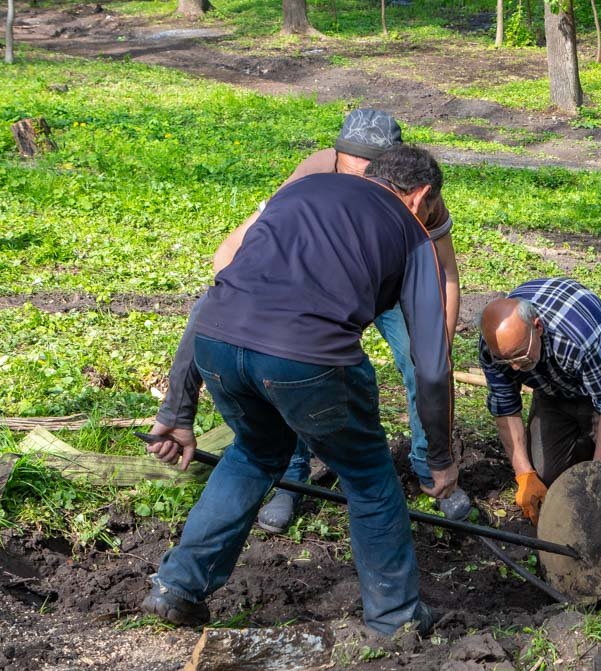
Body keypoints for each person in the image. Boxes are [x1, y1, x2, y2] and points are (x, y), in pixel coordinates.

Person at [141, 145, 457, 636]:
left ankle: (178, 585)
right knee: (370, 478)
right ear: (420, 198)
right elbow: (432, 363)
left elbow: (214, 295)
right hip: (310, 360)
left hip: (219, 345)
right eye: (432, 211)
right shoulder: (410, 231)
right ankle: (395, 620)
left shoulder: (298, 193)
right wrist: (438, 457)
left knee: (253, 452)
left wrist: (178, 410)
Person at [179, 108, 470, 532]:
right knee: (289, 361)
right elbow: (230, 255)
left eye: (373, 176)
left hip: (394, 278)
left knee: (419, 362)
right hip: (320, 286)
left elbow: (443, 273)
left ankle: (431, 467)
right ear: (335, 157)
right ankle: (292, 478)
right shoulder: (311, 173)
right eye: (352, 172)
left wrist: (434, 353)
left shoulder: (419, 194)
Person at [478, 278, 601, 524]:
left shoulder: (580, 338)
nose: (516, 367)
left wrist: (596, 475)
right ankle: (582, 447)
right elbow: (505, 408)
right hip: (554, 389)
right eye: (506, 361)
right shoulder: (496, 348)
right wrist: (523, 474)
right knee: (545, 478)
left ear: (537, 327)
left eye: (520, 356)